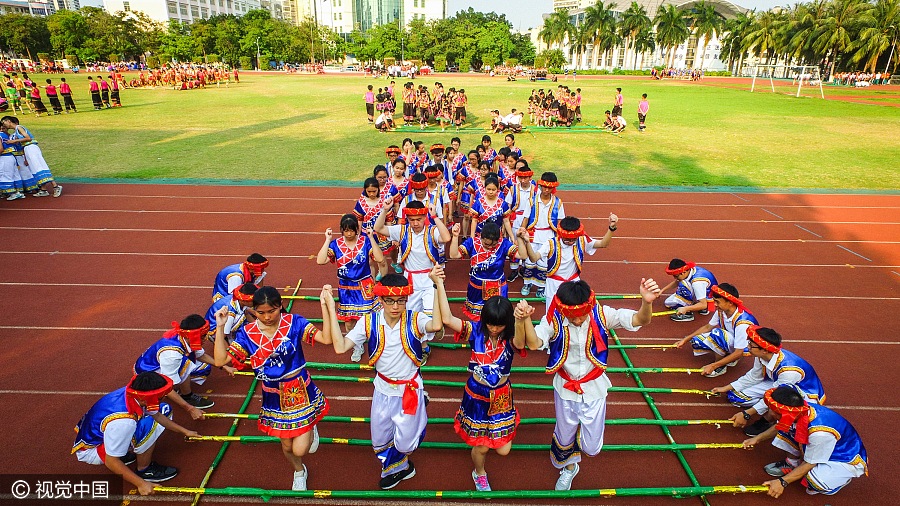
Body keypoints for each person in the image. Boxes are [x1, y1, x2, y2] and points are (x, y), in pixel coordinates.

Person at [515, 278, 661, 490]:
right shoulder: (554, 320)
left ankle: (580, 445)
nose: (576, 321)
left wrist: (647, 302)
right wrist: (525, 319)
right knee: (564, 435)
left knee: (591, 447)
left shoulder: (602, 314)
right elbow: (534, 343)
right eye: (571, 316)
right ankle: (569, 468)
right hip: (565, 389)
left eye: (581, 316)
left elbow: (639, 320)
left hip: (594, 389)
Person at [323, 267, 446, 489]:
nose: (396, 306)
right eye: (390, 301)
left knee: (407, 441)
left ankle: (401, 464)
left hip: (408, 389)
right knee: (379, 438)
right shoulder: (368, 322)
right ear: (380, 299)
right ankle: (400, 468)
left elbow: (436, 326)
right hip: (382, 389)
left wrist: (437, 285)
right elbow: (341, 347)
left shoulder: (414, 319)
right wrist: (331, 309)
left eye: (401, 300)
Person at [213, 286, 333, 491]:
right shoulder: (247, 333)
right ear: (254, 311)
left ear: (280, 307)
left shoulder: (294, 323)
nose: (267, 317)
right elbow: (220, 360)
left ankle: (311, 424)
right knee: (287, 447)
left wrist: (326, 307)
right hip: (273, 395)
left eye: (272, 311)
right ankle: (299, 471)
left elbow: (326, 339)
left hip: (299, 390)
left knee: (301, 448)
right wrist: (220, 327)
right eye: (261, 312)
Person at [440, 294, 541, 491]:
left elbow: (521, 343)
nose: (494, 329)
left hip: (501, 395)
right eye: (490, 324)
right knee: (482, 446)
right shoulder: (475, 331)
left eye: (499, 325)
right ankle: (479, 473)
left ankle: (494, 429)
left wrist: (521, 318)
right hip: (477, 395)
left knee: (503, 450)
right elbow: (447, 319)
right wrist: (438, 283)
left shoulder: (510, 338)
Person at [72, 372, 199, 495]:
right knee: (149, 426)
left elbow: (158, 415)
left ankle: (123, 452)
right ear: (146, 399)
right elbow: (111, 460)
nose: (164, 397)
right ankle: (145, 470)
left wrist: (185, 431)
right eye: (160, 396)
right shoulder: (124, 421)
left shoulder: (133, 394)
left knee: (163, 409)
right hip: (93, 450)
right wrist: (141, 484)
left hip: (100, 436)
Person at [741, 386, 867, 498]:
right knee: (785, 430)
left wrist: (782, 482)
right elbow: (780, 426)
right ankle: (792, 463)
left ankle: (841, 478)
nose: (770, 412)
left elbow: (811, 462)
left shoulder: (820, 433)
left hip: (842, 457)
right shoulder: (799, 410)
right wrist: (757, 439)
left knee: (814, 482)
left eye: (773, 410)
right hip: (822, 445)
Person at [711, 326, 826, 437]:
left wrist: (747, 414)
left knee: (783, 413)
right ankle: (763, 407)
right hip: (778, 384)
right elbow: (754, 377)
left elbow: (776, 396)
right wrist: (725, 388)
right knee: (735, 397)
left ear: (765, 350)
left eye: (751, 346)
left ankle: (767, 420)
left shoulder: (789, 371)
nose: (748, 347)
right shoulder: (760, 355)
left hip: (803, 392)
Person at [134, 314, 236, 417]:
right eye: (203, 336)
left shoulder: (186, 338)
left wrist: (223, 366)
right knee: (185, 364)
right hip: (147, 374)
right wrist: (190, 409)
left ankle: (180, 388)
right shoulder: (172, 354)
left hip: (159, 365)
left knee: (203, 368)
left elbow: (201, 355)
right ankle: (187, 396)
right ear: (194, 336)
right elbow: (167, 387)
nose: (206, 338)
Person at [316, 213, 385, 363]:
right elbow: (320, 260)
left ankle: (378, 342)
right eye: (345, 231)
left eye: (351, 230)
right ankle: (358, 345)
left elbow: (379, 258)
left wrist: (372, 237)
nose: (348, 234)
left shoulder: (365, 242)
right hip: (346, 288)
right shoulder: (335, 245)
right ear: (341, 230)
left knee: (370, 318)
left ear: (356, 230)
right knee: (349, 321)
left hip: (364, 286)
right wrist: (327, 240)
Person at [523, 215, 618, 314]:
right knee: (552, 315)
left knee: (574, 313)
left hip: (573, 283)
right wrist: (527, 242)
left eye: (573, 239)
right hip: (554, 284)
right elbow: (534, 258)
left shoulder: (581, 240)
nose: (570, 242)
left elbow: (603, 244)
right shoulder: (550, 244)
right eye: (567, 239)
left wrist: (611, 228)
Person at [374, 197, 451, 318]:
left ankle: (431, 331)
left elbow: (446, 238)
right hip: (411, 279)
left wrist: (435, 217)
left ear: (425, 217)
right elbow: (378, 228)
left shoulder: (432, 231)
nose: (415, 223)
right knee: (411, 315)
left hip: (430, 278)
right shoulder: (402, 230)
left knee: (430, 313)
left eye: (419, 219)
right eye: (412, 220)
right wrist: (385, 210)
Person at [450, 221, 531, 320]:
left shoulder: (503, 244)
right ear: (481, 237)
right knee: (477, 319)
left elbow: (522, 255)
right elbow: (454, 255)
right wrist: (455, 237)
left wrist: (519, 238)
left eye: (493, 245)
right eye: (486, 244)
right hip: (477, 288)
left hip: (498, 286)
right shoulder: (472, 243)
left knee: (499, 316)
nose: (490, 247)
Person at [674, 283, 759, 377]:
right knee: (696, 340)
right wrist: (686, 339)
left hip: (742, 349)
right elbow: (707, 327)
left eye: (717, 302)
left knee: (718, 335)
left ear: (730, 302)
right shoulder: (721, 311)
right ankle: (726, 356)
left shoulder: (742, 324)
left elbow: (739, 352)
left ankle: (719, 366)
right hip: (731, 340)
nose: (714, 304)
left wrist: (712, 366)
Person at [521, 172, 566, 298]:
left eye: (549, 188)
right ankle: (527, 283)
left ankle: (541, 286)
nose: (546, 190)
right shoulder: (532, 201)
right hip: (533, 234)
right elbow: (525, 218)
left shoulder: (558, 203)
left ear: (553, 188)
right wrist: (522, 232)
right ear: (540, 185)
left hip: (549, 236)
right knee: (530, 260)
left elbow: (560, 222)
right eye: (544, 187)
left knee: (544, 263)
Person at [1, 116, 63, 197]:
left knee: (39, 166)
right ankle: (43, 189)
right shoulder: (16, 131)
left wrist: (14, 141)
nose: (4, 125)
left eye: (4, 123)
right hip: (27, 149)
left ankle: (56, 186)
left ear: (8, 121)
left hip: (31, 147)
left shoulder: (19, 127)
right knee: (35, 169)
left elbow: (28, 138)